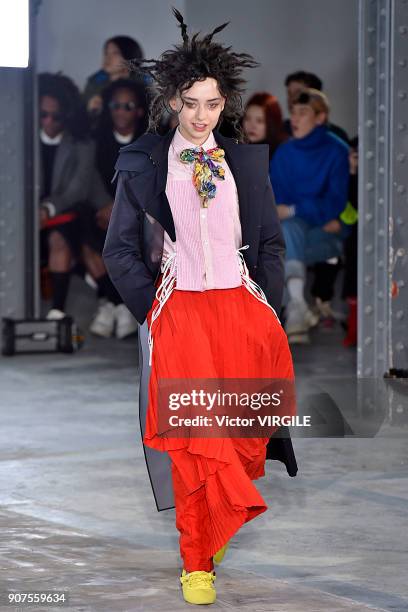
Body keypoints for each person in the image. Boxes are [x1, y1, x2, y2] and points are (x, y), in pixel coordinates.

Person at [103, 9, 297, 605]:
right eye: (190, 102)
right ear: (171, 101)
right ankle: (196, 562)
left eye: (211, 104)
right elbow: (119, 251)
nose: (200, 115)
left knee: (238, 437)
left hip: (241, 312)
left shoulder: (245, 162)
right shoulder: (145, 161)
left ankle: (215, 527)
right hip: (181, 313)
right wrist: (153, 312)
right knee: (193, 442)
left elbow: (266, 241)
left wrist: (269, 310)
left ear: (225, 105)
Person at [270, 89, 350, 344]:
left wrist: (295, 210)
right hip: (298, 233)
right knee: (288, 233)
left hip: (326, 237)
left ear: (320, 117)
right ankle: (297, 307)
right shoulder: (284, 153)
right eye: (293, 112)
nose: (295, 118)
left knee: (286, 237)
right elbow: (276, 200)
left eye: (303, 113)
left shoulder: (337, 151)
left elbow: (335, 203)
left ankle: (295, 308)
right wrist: (306, 211)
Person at [85, 79, 149, 338]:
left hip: (135, 211)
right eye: (116, 105)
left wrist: (120, 209)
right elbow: (89, 176)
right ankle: (117, 303)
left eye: (128, 106)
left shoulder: (148, 142)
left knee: (130, 238)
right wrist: (105, 206)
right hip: (101, 211)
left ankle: (113, 303)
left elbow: (147, 182)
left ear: (139, 111)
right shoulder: (96, 139)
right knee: (80, 230)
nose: (121, 111)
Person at [38, 72, 95, 319]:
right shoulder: (20, 139)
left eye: (56, 116)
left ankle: (57, 312)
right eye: (43, 115)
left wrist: (48, 209)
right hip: (25, 214)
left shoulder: (81, 143)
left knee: (59, 241)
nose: (49, 121)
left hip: (65, 215)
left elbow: (78, 188)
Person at [83, 36, 150, 118]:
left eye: (115, 53)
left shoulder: (143, 82)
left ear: (128, 56)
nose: (107, 58)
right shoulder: (95, 82)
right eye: (106, 53)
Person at [242, 92, 288, 159]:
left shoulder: (283, 155)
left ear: (272, 124)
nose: (252, 126)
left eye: (259, 121)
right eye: (247, 118)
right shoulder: (235, 147)